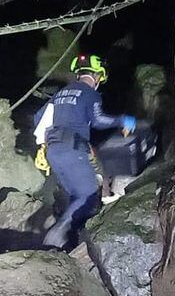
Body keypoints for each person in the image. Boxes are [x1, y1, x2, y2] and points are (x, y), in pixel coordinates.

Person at [33, 54, 136, 248]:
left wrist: (47, 142)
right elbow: (98, 120)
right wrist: (123, 120)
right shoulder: (90, 94)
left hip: (53, 150)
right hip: (72, 148)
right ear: (97, 76)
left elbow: (39, 118)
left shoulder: (61, 93)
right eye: (100, 78)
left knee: (75, 195)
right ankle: (55, 236)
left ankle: (70, 241)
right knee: (88, 196)